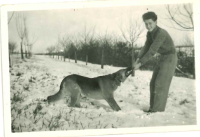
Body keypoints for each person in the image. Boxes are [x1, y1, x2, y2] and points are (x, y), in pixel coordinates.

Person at [134, 12, 178, 114]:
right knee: (153, 83)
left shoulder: (161, 33)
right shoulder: (150, 34)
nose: (148, 26)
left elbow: (152, 51)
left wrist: (140, 64)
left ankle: (157, 111)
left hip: (170, 57)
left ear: (156, 22)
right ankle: (153, 108)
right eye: (146, 24)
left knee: (160, 83)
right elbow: (146, 47)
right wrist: (138, 58)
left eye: (150, 23)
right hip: (162, 57)